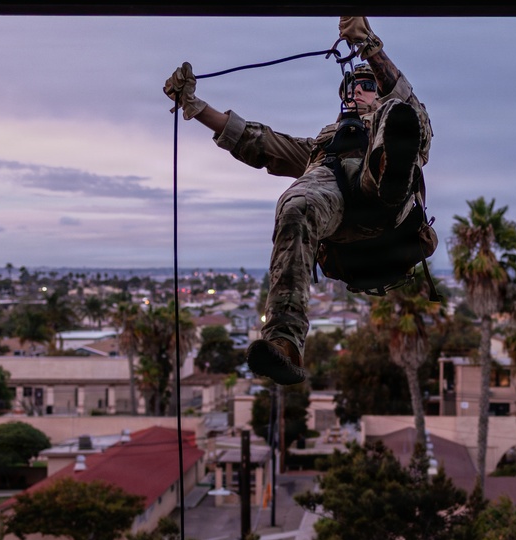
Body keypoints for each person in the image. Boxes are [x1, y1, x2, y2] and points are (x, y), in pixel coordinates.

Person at [164, 16, 434, 385]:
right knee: (296, 203)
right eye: (350, 87)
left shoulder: (398, 118)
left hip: (389, 211)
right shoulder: (321, 149)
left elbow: (409, 107)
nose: (356, 91)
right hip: (341, 216)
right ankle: (285, 343)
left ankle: (389, 172)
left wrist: (368, 46)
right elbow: (259, 141)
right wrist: (193, 105)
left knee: (398, 115)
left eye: (368, 85)